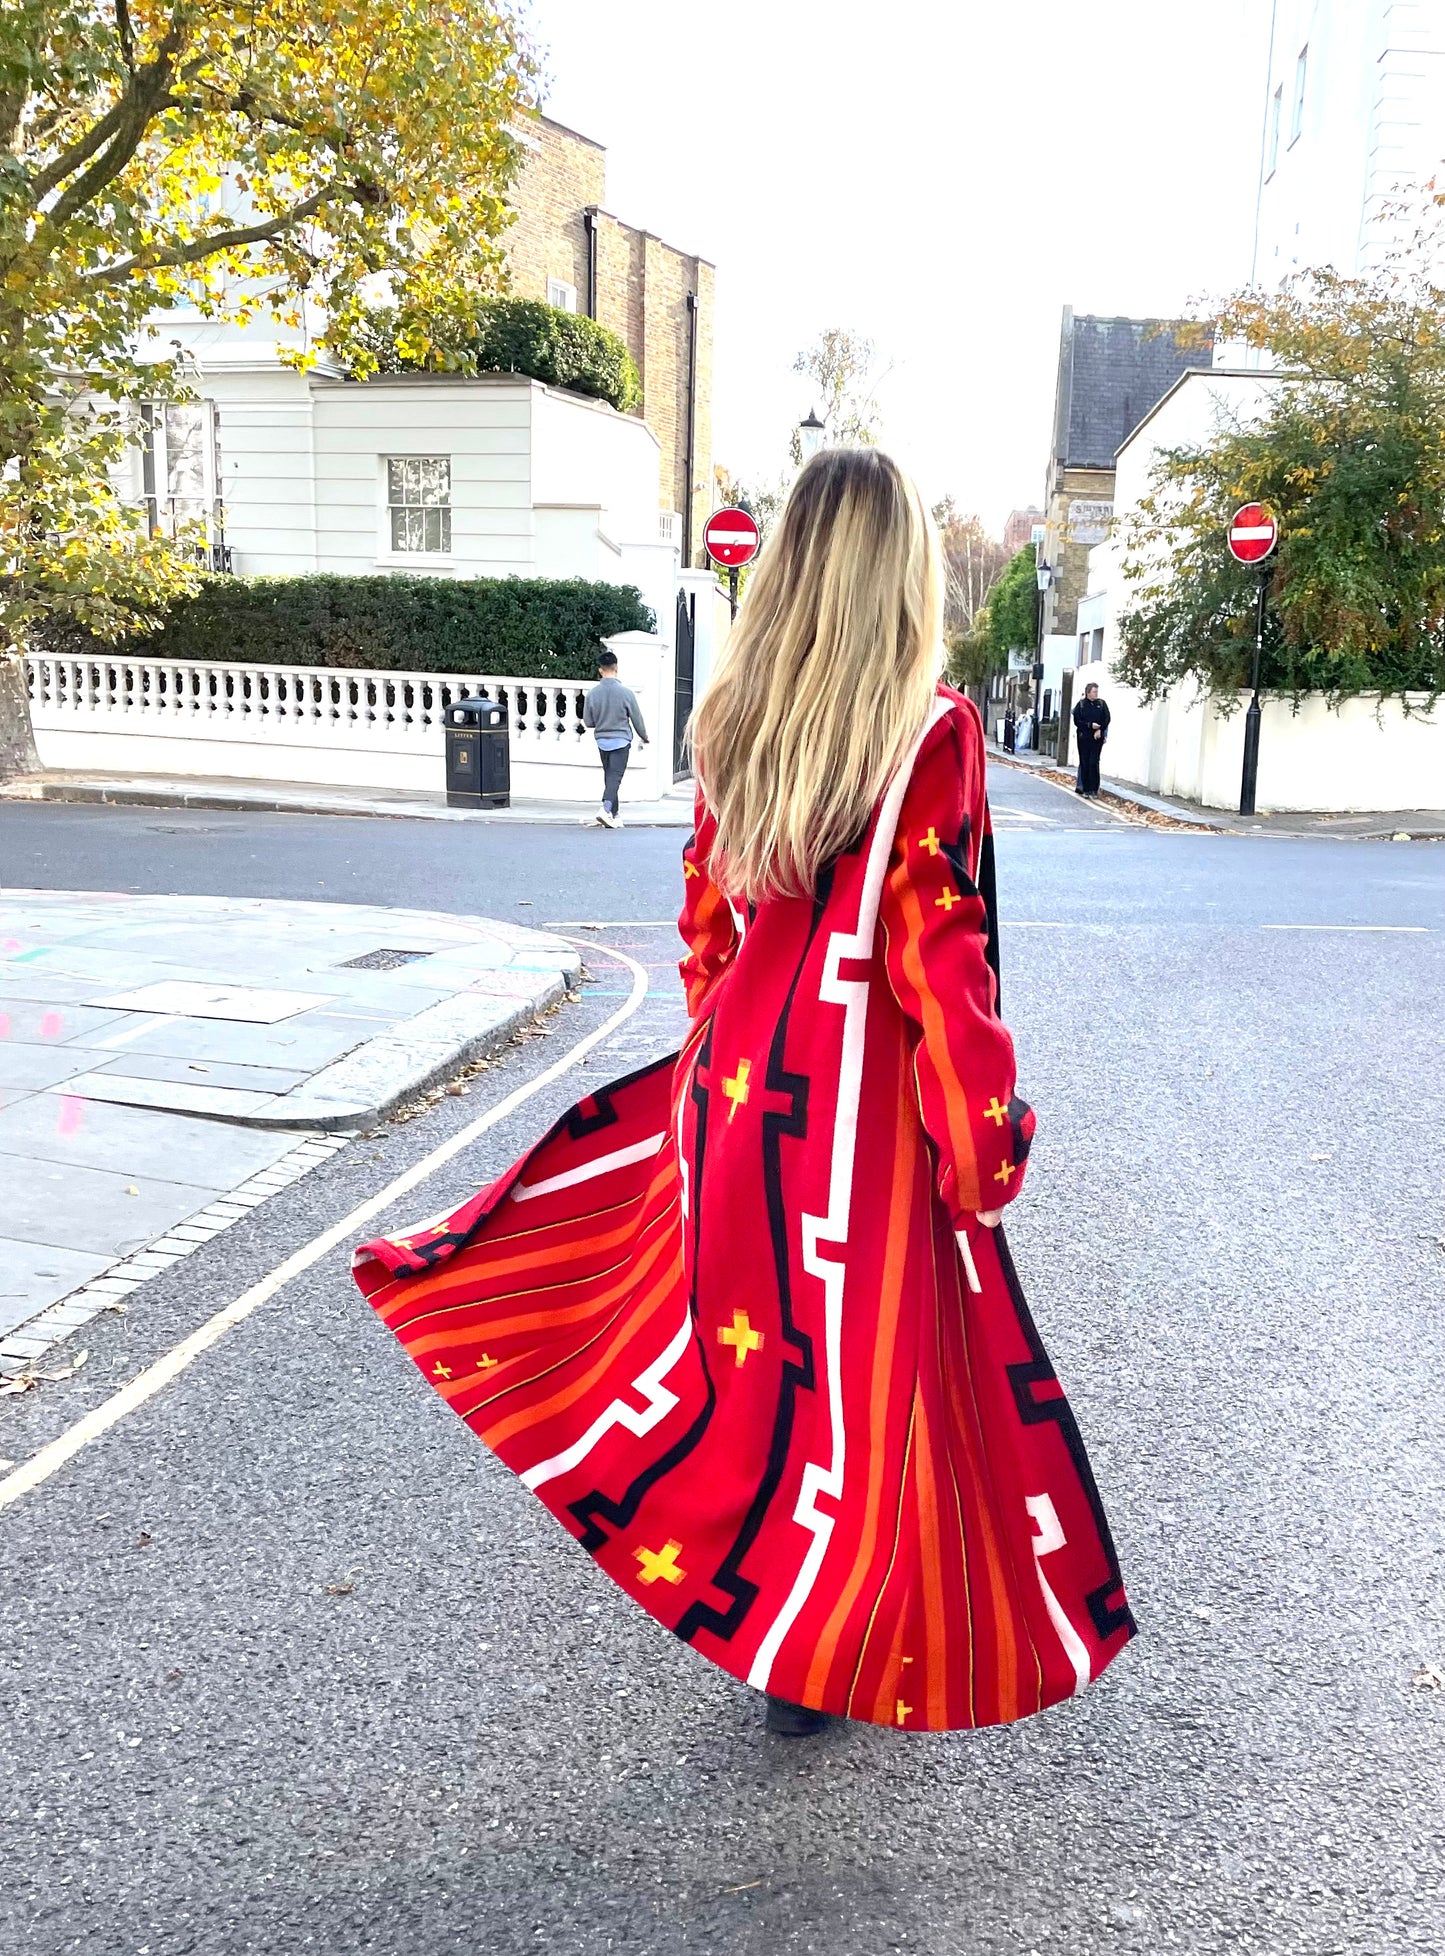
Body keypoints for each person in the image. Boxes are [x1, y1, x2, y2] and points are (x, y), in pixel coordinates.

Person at [353, 449, 1134, 1740]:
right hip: (856, 1135)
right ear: (901, 585)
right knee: (873, 1393)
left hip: (737, 1107)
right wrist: (986, 1145)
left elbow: (706, 932)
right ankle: (845, 1642)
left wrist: (722, 1057)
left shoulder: (731, 727)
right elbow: (946, 967)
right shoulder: (928, 738)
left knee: (764, 1381)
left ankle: (782, 1653)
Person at [581, 650, 648, 828]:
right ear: (616, 668)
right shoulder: (626, 693)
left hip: (602, 740)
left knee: (610, 776)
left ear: (600, 670)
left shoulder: (592, 694)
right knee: (615, 778)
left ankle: (614, 815)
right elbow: (637, 719)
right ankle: (606, 808)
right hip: (621, 740)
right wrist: (644, 736)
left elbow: (588, 721)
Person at [1072, 682, 1110, 797]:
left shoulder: (1102, 704)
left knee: (1094, 762)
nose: (1096, 694)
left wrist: (1100, 730)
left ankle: (1094, 789)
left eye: (1097, 692)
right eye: (1094, 691)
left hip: (1097, 738)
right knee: (1085, 762)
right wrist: (1089, 725)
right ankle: (1086, 789)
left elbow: (1107, 718)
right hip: (1084, 738)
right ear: (1088, 692)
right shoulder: (1081, 705)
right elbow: (1077, 721)